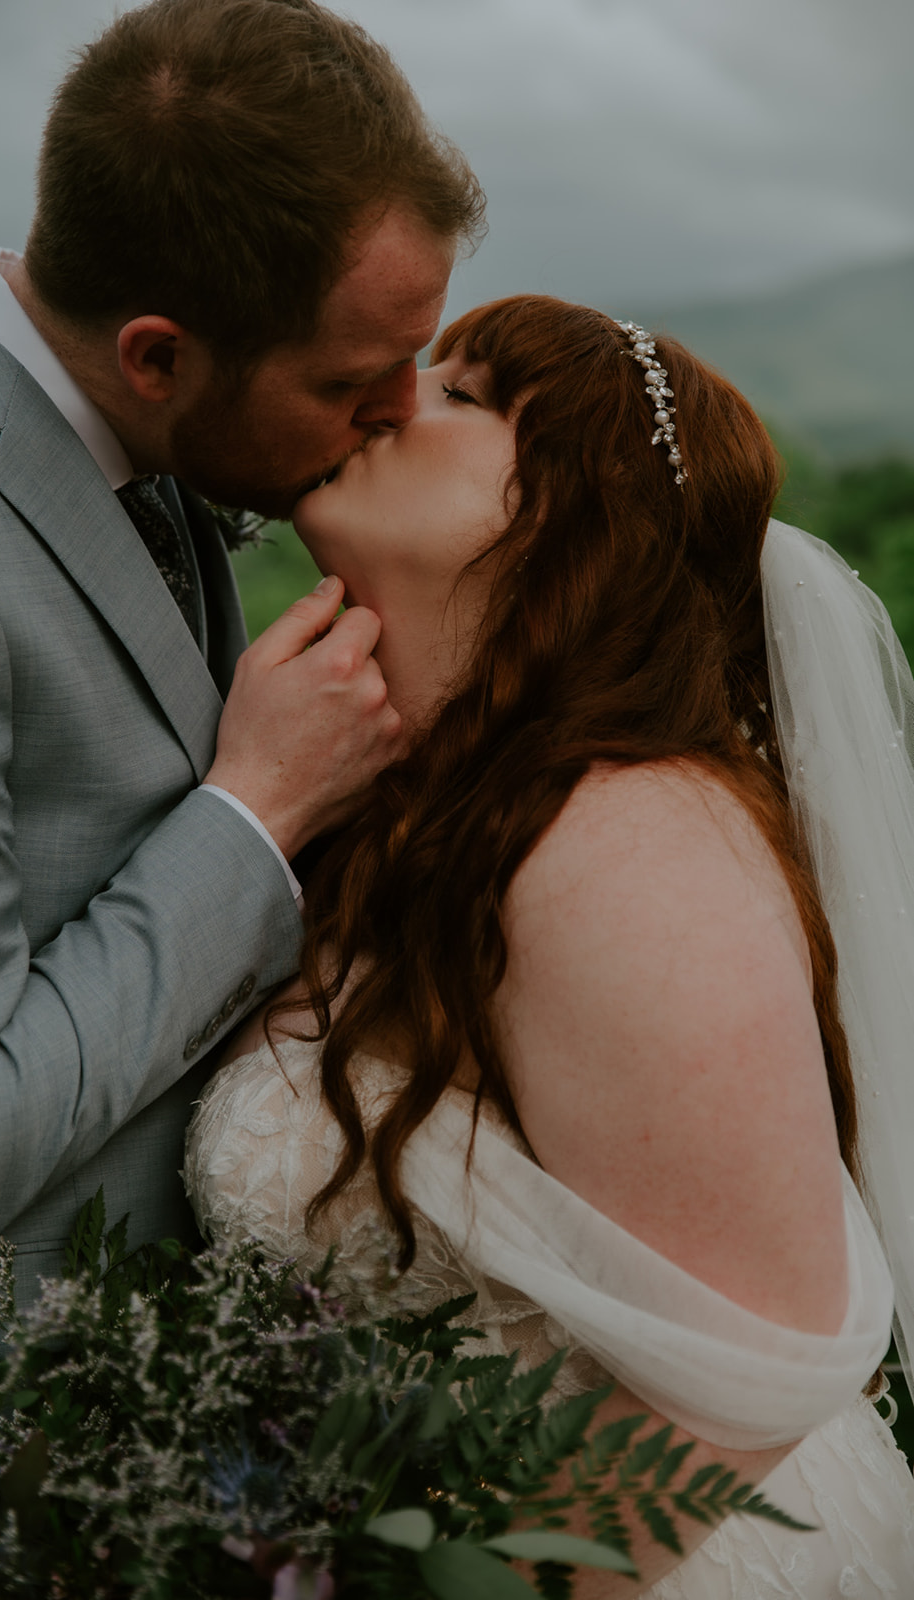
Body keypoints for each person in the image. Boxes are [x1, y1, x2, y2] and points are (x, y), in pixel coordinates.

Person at [0, 0, 484, 1506]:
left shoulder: (130, 452)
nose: (397, 415)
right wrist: (253, 811)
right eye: (350, 385)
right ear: (156, 352)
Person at [186, 295, 914, 1595]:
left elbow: (758, 1363)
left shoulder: (625, 839)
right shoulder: (404, 809)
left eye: (464, 395)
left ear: (565, 516)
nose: (402, 396)